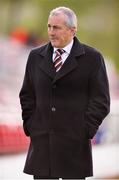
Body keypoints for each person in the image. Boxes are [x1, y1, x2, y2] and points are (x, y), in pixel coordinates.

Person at [19, 6, 110, 179]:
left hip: (74, 147)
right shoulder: (35, 56)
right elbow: (27, 95)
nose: (51, 32)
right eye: (49, 26)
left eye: (57, 27)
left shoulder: (92, 58)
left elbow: (101, 101)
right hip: (42, 146)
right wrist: (31, 126)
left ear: (72, 30)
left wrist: (86, 130)